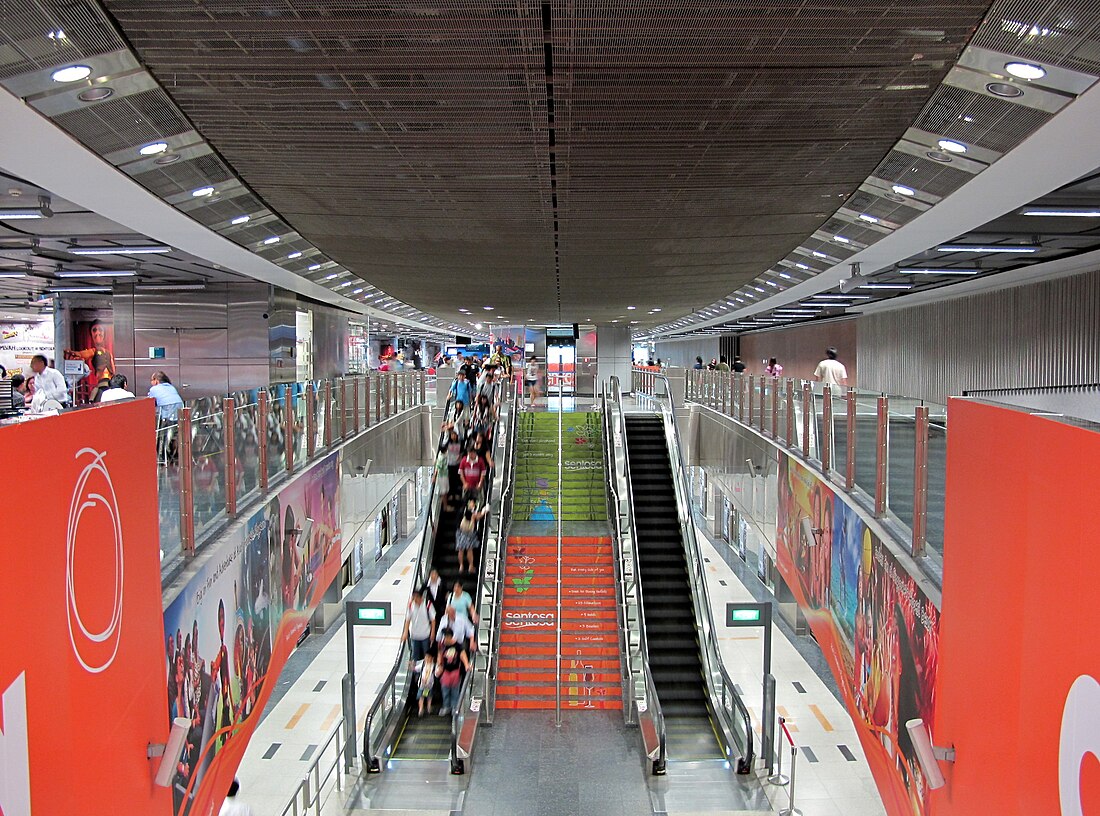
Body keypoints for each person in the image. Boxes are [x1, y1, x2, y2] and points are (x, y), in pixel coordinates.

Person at [435, 628, 471, 717]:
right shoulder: (442, 646)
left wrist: (466, 665)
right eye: (444, 637)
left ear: (450, 637)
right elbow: (440, 655)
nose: (444, 639)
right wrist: (439, 666)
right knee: (445, 691)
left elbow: (462, 655)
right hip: (446, 672)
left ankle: (455, 708)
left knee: (455, 692)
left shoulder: (458, 646)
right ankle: (446, 707)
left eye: (446, 637)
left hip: (455, 672)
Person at [401, 589, 436, 667]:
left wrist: (432, 632)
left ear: (420, 597)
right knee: (415, 657)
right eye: (413, 597)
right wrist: (405, 632)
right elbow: (408, 619)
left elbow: (433, 619)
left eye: (415, 597)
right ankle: (415, 673)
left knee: (427, 656)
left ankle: (426, 672)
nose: (414, 599)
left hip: (425, 635)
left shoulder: (428, 604)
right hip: (414, 635)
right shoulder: (411, 605)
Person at [455, 498, 488, 574]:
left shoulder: (464, 510)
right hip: (468, 533)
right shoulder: (470, 512)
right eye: (472, 502)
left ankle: (462, 566)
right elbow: (477, 518)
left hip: (461, 532)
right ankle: (469, 566)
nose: (473, 504)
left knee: (462, 549)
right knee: (468, 549)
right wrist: (484, 511)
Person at [417, 652, 436, 717]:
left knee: (429, 696)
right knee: (421, 696)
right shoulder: (422, 665)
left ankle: (429, 707)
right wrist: (411, 666)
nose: (427, 659)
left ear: (432, 658)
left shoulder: (433, 666)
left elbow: (436, 673)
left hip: (429, 685)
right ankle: (421, 709)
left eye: (429, 657)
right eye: (426, 657)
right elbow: (416, 669)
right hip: (422, 685)